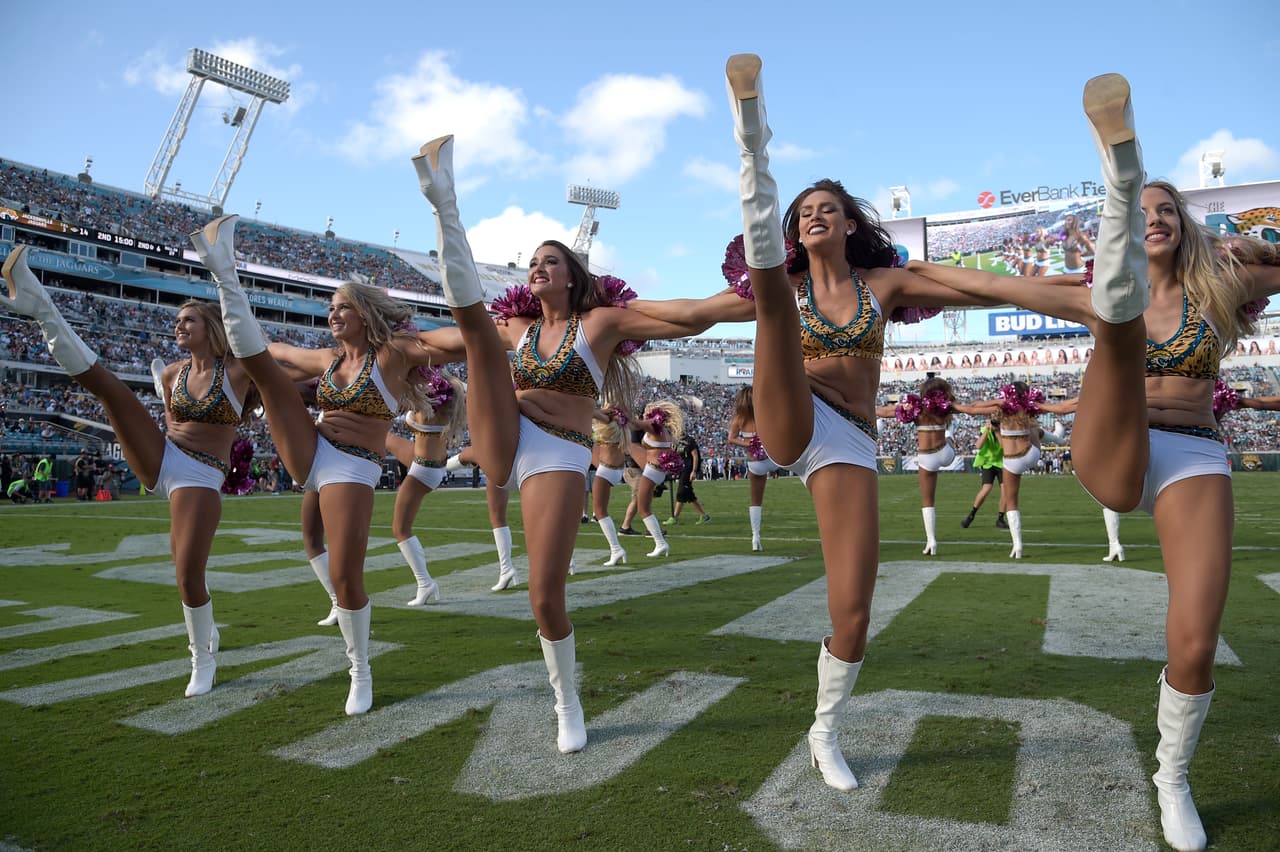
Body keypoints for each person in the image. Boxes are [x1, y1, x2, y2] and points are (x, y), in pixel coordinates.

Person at [908, 74, 1280, 851]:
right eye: (1140, 210)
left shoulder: (1224, 284)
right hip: (1114, 446)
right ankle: (1120, 169)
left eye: (1163, 209)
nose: (1157, 221)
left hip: (1192, 455)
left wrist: (1259, 243)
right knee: (1113, 311)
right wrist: (892, 279)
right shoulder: (1094, 293)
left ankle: (1171, 778)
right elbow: (973, 279)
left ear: (1185, 226)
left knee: (1197, 640)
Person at [630, 54, 1002, 792]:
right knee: (772, 301)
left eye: (826, 207)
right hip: (790, 413)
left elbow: (981, 283)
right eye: (803, 212)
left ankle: (824, 731)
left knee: (855, 606)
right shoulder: (786, 283)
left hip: (849, 441)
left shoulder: (885, 283)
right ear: (793, 229)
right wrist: (607, 320)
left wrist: (1087, 290)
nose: (815, 216)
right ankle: (752, 147)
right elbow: (694, 314)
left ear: (850, 222)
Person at [412, 135, 729, 753]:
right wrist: (372, 343)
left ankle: (567, 700)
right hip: (508, 426)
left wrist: (761, 295)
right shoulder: (517, 327)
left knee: (543, 594)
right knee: (479, 332)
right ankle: (442, 202)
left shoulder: (600, 324)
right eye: (532, 262)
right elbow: (435, 341)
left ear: (574, 275)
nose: (538, 268)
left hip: (557, 449)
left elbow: (684, 315)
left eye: (550, 261)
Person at [190, 215, 463, 716]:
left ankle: (360, 669)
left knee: (346, 577)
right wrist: (221, 347)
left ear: (365, 312)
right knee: (268, 375)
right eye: (330, 307)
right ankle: (223, 271)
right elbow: (273, 351)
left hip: (353, 467)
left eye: (342, 307)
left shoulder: (394, 354)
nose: (333, 314)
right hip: (312, 452)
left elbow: (454, 341)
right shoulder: (329, 361)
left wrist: (509, 331)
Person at [2, 246, 256, 699]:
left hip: (201, 476)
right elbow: (170, 421)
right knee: (110, 391)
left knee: (187, 574)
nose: (179, 326)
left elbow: (259, 352)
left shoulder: (237, 371)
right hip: (163, 458)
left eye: (188, 320)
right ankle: (40, 306)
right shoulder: (173, 373)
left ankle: (205, 654)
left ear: (211, 328)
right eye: (177, 320)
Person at [875, 376, 989, 555]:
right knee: (949, 439)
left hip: (926, 457)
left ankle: (931, 541)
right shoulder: (946, 407)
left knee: (927, 502)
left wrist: (900, 407)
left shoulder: (915, 409)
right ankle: (950, 433)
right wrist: (1000, 406)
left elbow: (882, 411)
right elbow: (971, 409)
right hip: (945, 453)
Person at [964, 382, 1077, 558]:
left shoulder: (1000, 407)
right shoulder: (1030, 407)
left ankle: (1017, 546)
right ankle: (1059, 439)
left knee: (1012, 503)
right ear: (1027, 394)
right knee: (1034, 429)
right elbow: (1062, 408)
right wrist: (1084, 397)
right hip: (1031, 455)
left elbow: (972, 408)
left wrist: (953, 404)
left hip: (1011, 461)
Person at [383, 369, 467, 605]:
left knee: (400, 529)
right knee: (382, 436)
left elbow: (399, 391)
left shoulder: (428, 408)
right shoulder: (442, 407)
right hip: (429, 462)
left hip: (423, 469)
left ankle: (425, 583)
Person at [726, 385, 777, 551]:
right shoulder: (766, 413)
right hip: (776, 459)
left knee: (756, 501)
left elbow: (731, 438)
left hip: (755, 463)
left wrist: (747, 443)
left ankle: (756, 537)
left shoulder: (740, 419)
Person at [633, 400, 685, 555]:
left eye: (646, 413)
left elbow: (635, 424)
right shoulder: (664, 431)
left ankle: (660, 543)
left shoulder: (654, 428)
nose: (643, 415)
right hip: (656, 471)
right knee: (644, 508)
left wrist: (625, 417)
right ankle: (660, 543)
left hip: (652, 471)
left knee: (643, 509)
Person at [590, 405, 633, 566]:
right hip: (614, 469)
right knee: (600, 511)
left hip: (606, 470)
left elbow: (586, 413)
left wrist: (600, 413)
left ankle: (616, 549)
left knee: (600, 512)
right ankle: (615, 549)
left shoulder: (608, 423)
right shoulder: (620, 426)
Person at [961, 417, 1007, 529]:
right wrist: (987, 429)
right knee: (986, 489)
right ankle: (971, 515)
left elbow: (1003, 446)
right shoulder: (984, 429)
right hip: (988, 463)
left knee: (1005, 489)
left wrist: (996, 431)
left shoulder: (1004, 430)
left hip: (1001, 462)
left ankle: (1000, 518)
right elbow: (978, 445)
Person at [665, 423, 710, 527]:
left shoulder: (690, 441)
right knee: (689, 494)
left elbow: (695, 456)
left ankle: (674, 518)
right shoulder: (675, 441)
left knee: (681, 492)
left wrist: (694, 471)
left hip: (688, 469)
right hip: (680, 469)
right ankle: (704, 516)